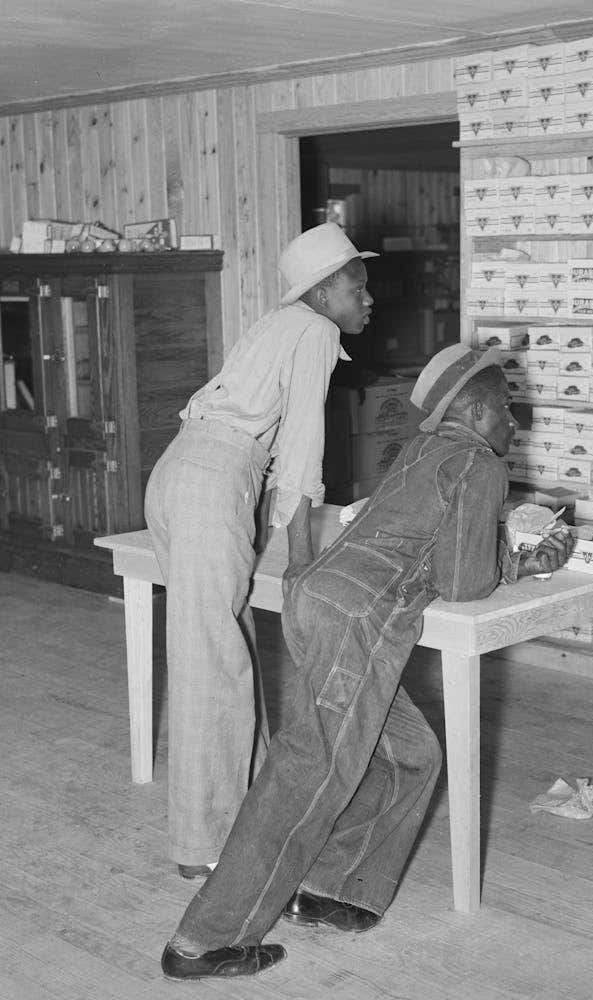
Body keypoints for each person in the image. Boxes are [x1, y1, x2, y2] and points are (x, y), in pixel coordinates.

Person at [159, 343, 575, 980]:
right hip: (358, 620)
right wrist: (518, 565)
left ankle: (333, 888)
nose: (516, 421)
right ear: (475, 408)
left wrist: (511, 561)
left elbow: (435, 554)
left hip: (319, 601)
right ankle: (204, 940)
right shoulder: (477, 462)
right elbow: (461, 581)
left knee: (412, 755)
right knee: (308, 771)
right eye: (508, 407)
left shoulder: (426, 449)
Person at [144, 223, 377, 879]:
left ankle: (240, 815)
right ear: (327, 289)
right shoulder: (315, 332)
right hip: (212, 485)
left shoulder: (279, 324)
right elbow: (301, 455)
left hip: (179, 475)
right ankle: (207, 849)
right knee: (215, 664)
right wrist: (302, 565)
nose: (367, 301)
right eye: (358, 287)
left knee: (222, 647)